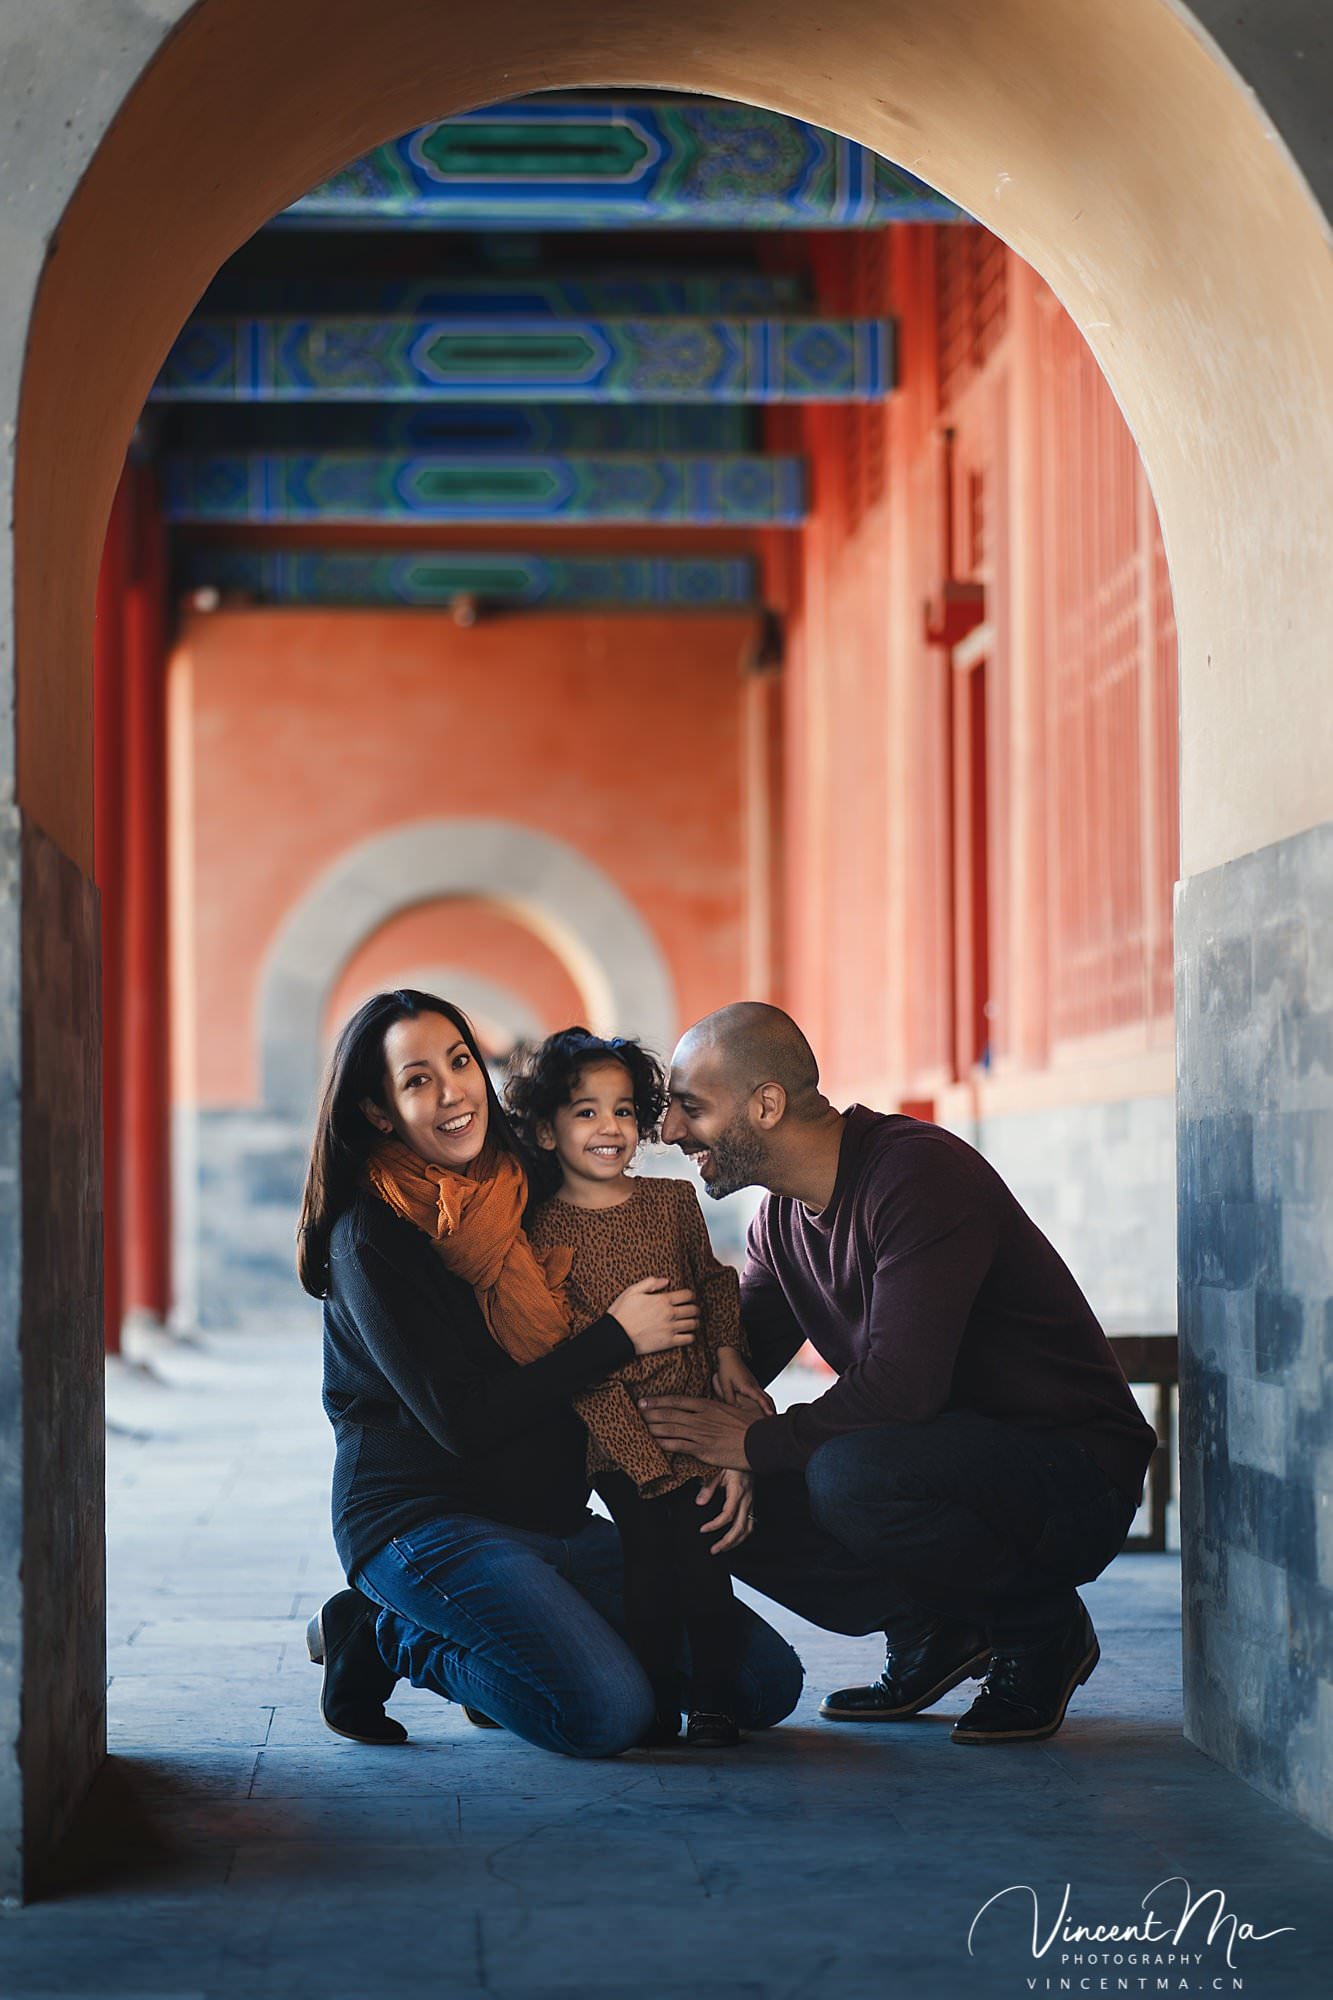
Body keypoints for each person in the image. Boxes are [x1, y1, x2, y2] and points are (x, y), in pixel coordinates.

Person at [296, 989, 803, 1756]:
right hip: (423, 1522)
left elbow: (674, 1276)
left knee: (761, 1685)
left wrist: (721, 1435)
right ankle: (385, 1635)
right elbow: (463, 1422)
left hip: (553, 1520)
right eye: (417, 1079)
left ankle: (515, 1649)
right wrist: (610, 1339)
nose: (452, 1092)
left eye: (459, 1062)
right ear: (376, 1111)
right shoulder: (372, 1238)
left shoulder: (527, 1182)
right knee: (603, 1714)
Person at [639, 1001, 1158, 1745]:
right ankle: (931, 1633)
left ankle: (1041, 1630)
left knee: (851, 1473)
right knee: (674, 1460)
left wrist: (753, 1445)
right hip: (941, 1461)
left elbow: (902, 1386)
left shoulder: (916, 1173)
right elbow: (731, 1358)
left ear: (765, 1104)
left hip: (1070, 1474)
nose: (669, 1132)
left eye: (690, 1107)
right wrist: (675, 1410)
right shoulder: (781, 1222)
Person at [506, 1027, 774, 1749]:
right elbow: (570, 1358)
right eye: (585, 1111)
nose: (610, 1128)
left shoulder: (671, 1202)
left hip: (695, 1409)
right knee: (651, 1570)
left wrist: (727, 1352)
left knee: (706, 1571)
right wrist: (647, 1464)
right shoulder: (538, 1233)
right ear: (544, 1128)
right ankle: (654, 1707)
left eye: (624, 1111)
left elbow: (714, 1282)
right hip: (615, 1432)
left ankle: (712, 1704)